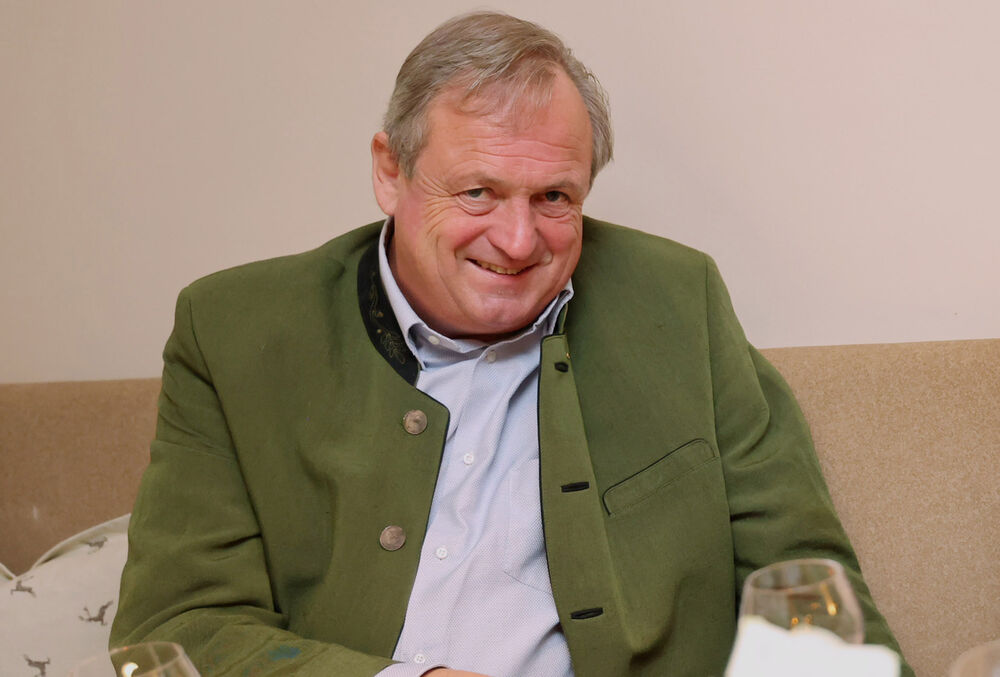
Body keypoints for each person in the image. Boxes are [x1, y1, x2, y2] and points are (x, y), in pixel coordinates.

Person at [111, 11, 911, 677]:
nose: (519, 240)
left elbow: (806, 582)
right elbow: (178, 626)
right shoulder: (234, 331)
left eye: (555, 196)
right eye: (478, 191)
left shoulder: (679, 300)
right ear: (390, 171)